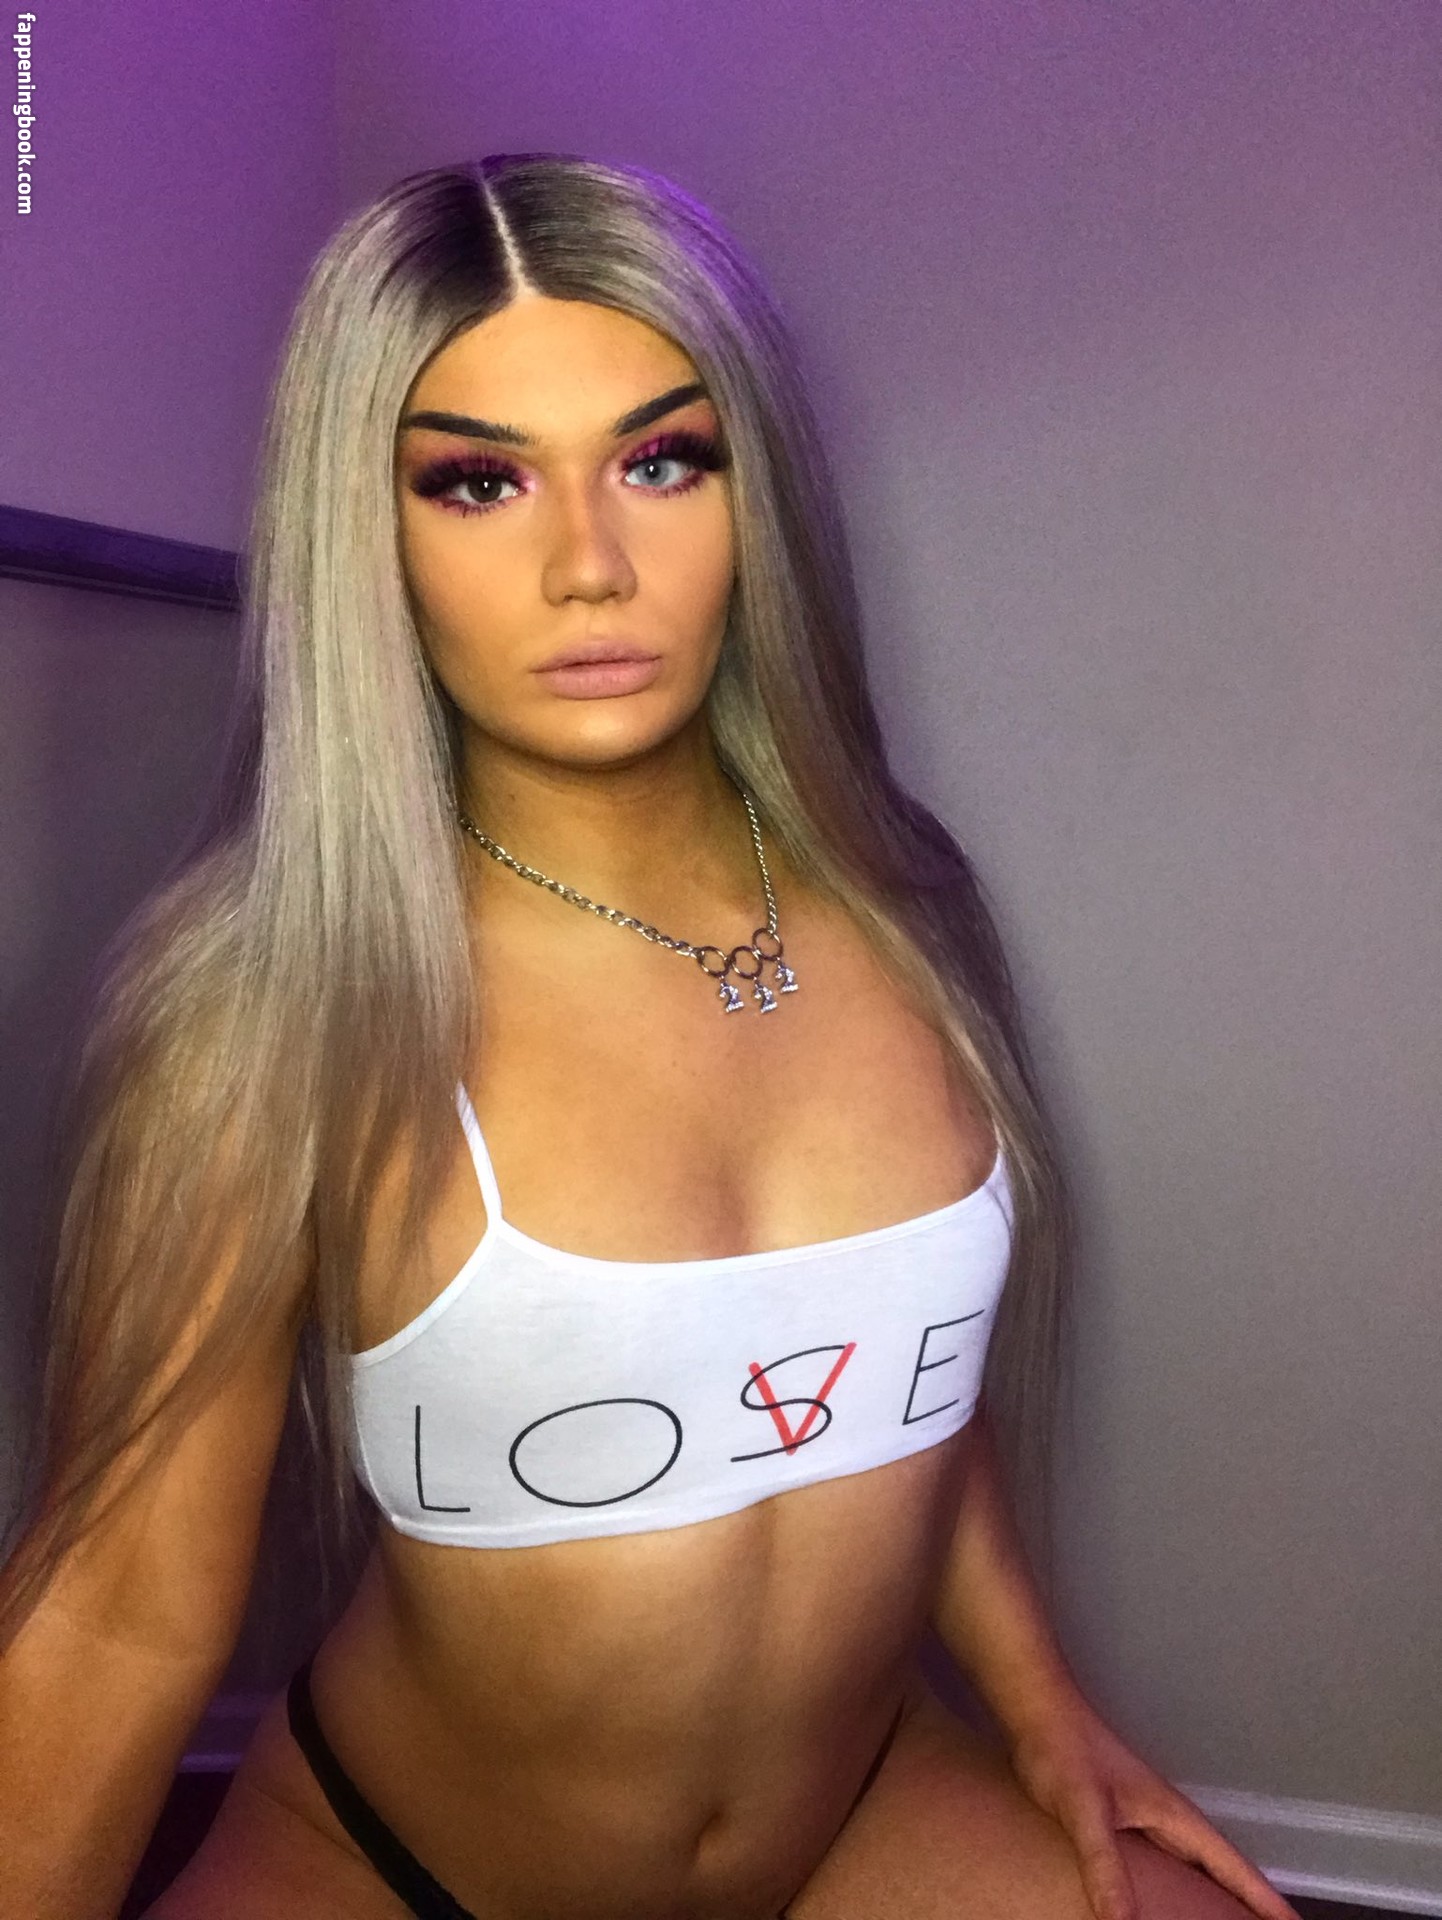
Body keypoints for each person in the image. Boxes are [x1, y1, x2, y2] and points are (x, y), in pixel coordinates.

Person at [0, 154, 1301, 1920]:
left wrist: (1033, 1696)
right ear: (364, 533)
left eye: (660, 461)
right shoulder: (265, 1003)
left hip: (850, 1810)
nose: (589, 566)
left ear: (753, 491)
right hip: (410, 1871)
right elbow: (113, 1617)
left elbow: (902, 1384)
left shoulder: (899, 904)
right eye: (477, 482)